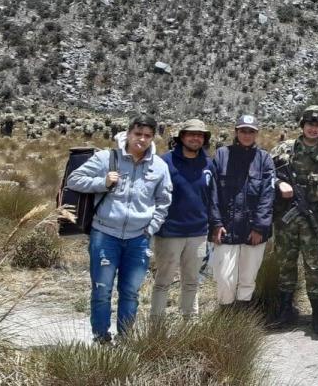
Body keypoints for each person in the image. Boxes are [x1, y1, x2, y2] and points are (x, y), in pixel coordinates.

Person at [66, 115, 173, 343]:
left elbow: (164, 201)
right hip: (105, 234)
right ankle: (101, 338)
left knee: (131, 293)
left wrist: (151, 228)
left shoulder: (159, 166)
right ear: (128, 133)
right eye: (137, 134)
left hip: (139, 238)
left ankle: (125, 338)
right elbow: (73, 180)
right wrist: (102, 183)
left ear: (153, 138)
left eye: (147, 136)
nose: (141, 140)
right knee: (102, 290)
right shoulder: (107, 158)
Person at [270, 105, 318, 334]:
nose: (313, 129)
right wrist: (278, 184)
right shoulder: (284, 149)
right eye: (310, 124)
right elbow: (264, 173)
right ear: (302, 125)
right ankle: (285, 311)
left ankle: (316, 315)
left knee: (314, 267)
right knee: (286, 264)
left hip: (315, 218)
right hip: (286, 219)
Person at [209, 114, 275, 309]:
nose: (247, 135)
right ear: (236, 132)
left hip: (253, 230)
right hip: (226, 229)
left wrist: (260, 228)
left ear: (256, 134)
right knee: (225, 279)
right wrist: (216, 224)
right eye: (243, 130)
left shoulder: (264, 159)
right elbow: (212, 193)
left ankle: (242, 320)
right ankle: (225, 315)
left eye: (251, 131)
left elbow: (267, 196)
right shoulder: (222, 155)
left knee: (247, 279)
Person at [151, 119, 214, 320]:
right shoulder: (164, 162)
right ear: (181, 137)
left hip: (199, 233)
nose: (196, 138)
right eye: (191, 134)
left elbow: (214, 197)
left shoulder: (209, 164)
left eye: (200, 135)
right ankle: (157, 325)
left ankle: (190, 322)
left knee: (192, 280)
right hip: (169, 233)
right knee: (163, 281)